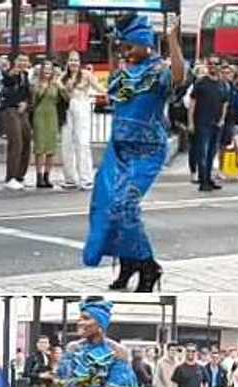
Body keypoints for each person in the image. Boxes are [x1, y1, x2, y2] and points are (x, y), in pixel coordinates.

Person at [87, 14, 183, 292]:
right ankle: (128, 263)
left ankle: (148, 265)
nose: (126, 52)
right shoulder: (121, 73)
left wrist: (173, 40)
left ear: (146, 45)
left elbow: (178, 76)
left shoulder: (158, 72)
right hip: (118, 150)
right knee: (106, 206)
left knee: (125, 205)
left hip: (146, 151)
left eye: (131, 47)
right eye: (123, 47)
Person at [61, 52, 102, 190]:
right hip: (67, 110)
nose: (73, 63)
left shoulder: (86, 75)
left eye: (76, 60)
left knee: (82, 143)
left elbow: (99, 88)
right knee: (66, 144)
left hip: (82, 106)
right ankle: (70, 178)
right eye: (71, 60)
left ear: (80, 62)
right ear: (67, 62)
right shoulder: (63, 76)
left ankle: (86, 178)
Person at [190, 60, 227, 192]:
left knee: (212, 152)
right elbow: (192, 102)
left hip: (216, 123)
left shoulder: (222, 84)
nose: (213, 66)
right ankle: (203, 180)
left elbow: (224, 103)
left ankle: (208, 177)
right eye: (211, 64)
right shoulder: (201, 82)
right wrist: (191, 122)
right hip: (202, 121)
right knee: (202, 152)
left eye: (216, 64)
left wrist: (222, 119)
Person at [29, 61, 65, 190]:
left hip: (52, 116)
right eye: (45, 69)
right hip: (39, 116)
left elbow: (66, 98)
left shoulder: (55, 85)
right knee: (40, 148)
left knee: (51, 148)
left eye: (50, 69)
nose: (47, 71)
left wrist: (60, 86)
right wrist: (41, 89)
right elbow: (33, 102)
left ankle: (46, 176)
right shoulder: (35, 84)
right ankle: (38, 177)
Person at [1, 54, 32, 190]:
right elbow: (7, 83)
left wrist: (25, 103)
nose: (23, 63)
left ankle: (20, 174)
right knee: (16, 142)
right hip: (10, 109)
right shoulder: (10, 74)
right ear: (15, 62)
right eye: (20, 60)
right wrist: (12, 73)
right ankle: (11, 176)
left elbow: (27, 93)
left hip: (22, 110)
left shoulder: (26, 76)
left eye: (25, 60)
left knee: (26, 140)